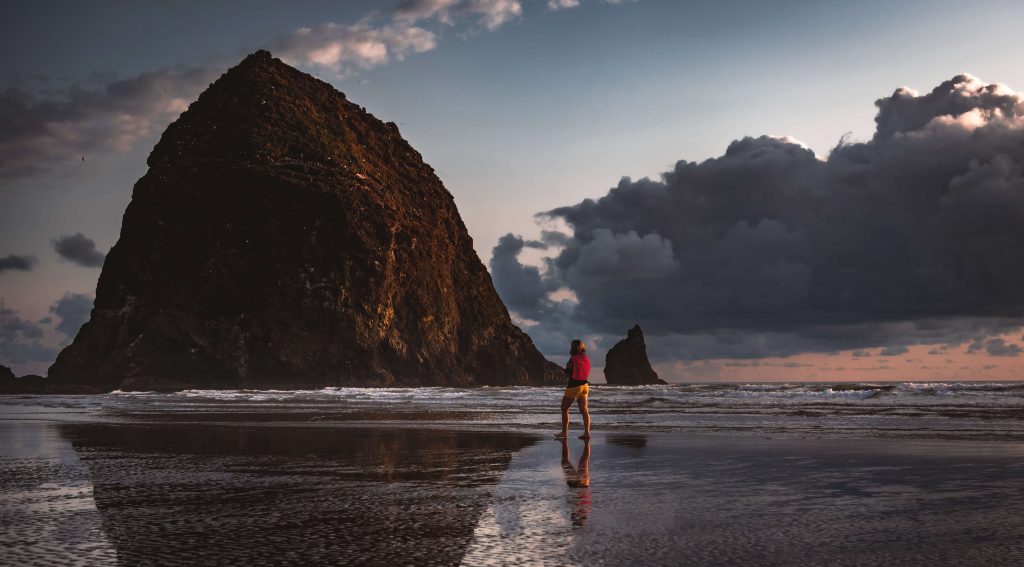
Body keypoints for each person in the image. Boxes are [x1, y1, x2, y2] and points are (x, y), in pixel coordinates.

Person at [555, 339, 591, 439]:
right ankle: (587, 433)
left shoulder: (573, 359)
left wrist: (565, 370)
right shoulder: (586, 358)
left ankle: (564, 432)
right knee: (584, 411)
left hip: (574, 387)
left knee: (564, 408)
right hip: (585, 386)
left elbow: (567, 371)